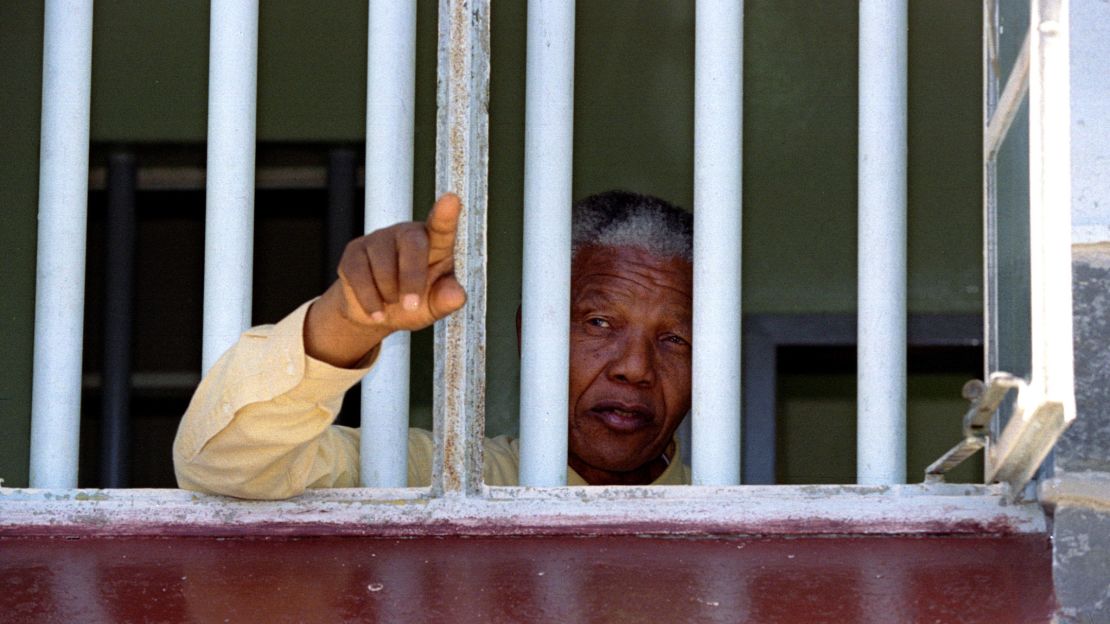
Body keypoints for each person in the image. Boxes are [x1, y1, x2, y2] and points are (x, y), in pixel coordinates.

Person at [173, 190, 694, 499]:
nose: (635, 368)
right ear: (530, 335)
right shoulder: (433, 477)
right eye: (600, 323)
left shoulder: (739, 502)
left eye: (675, 338)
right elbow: (224, 464)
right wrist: (348, 324)